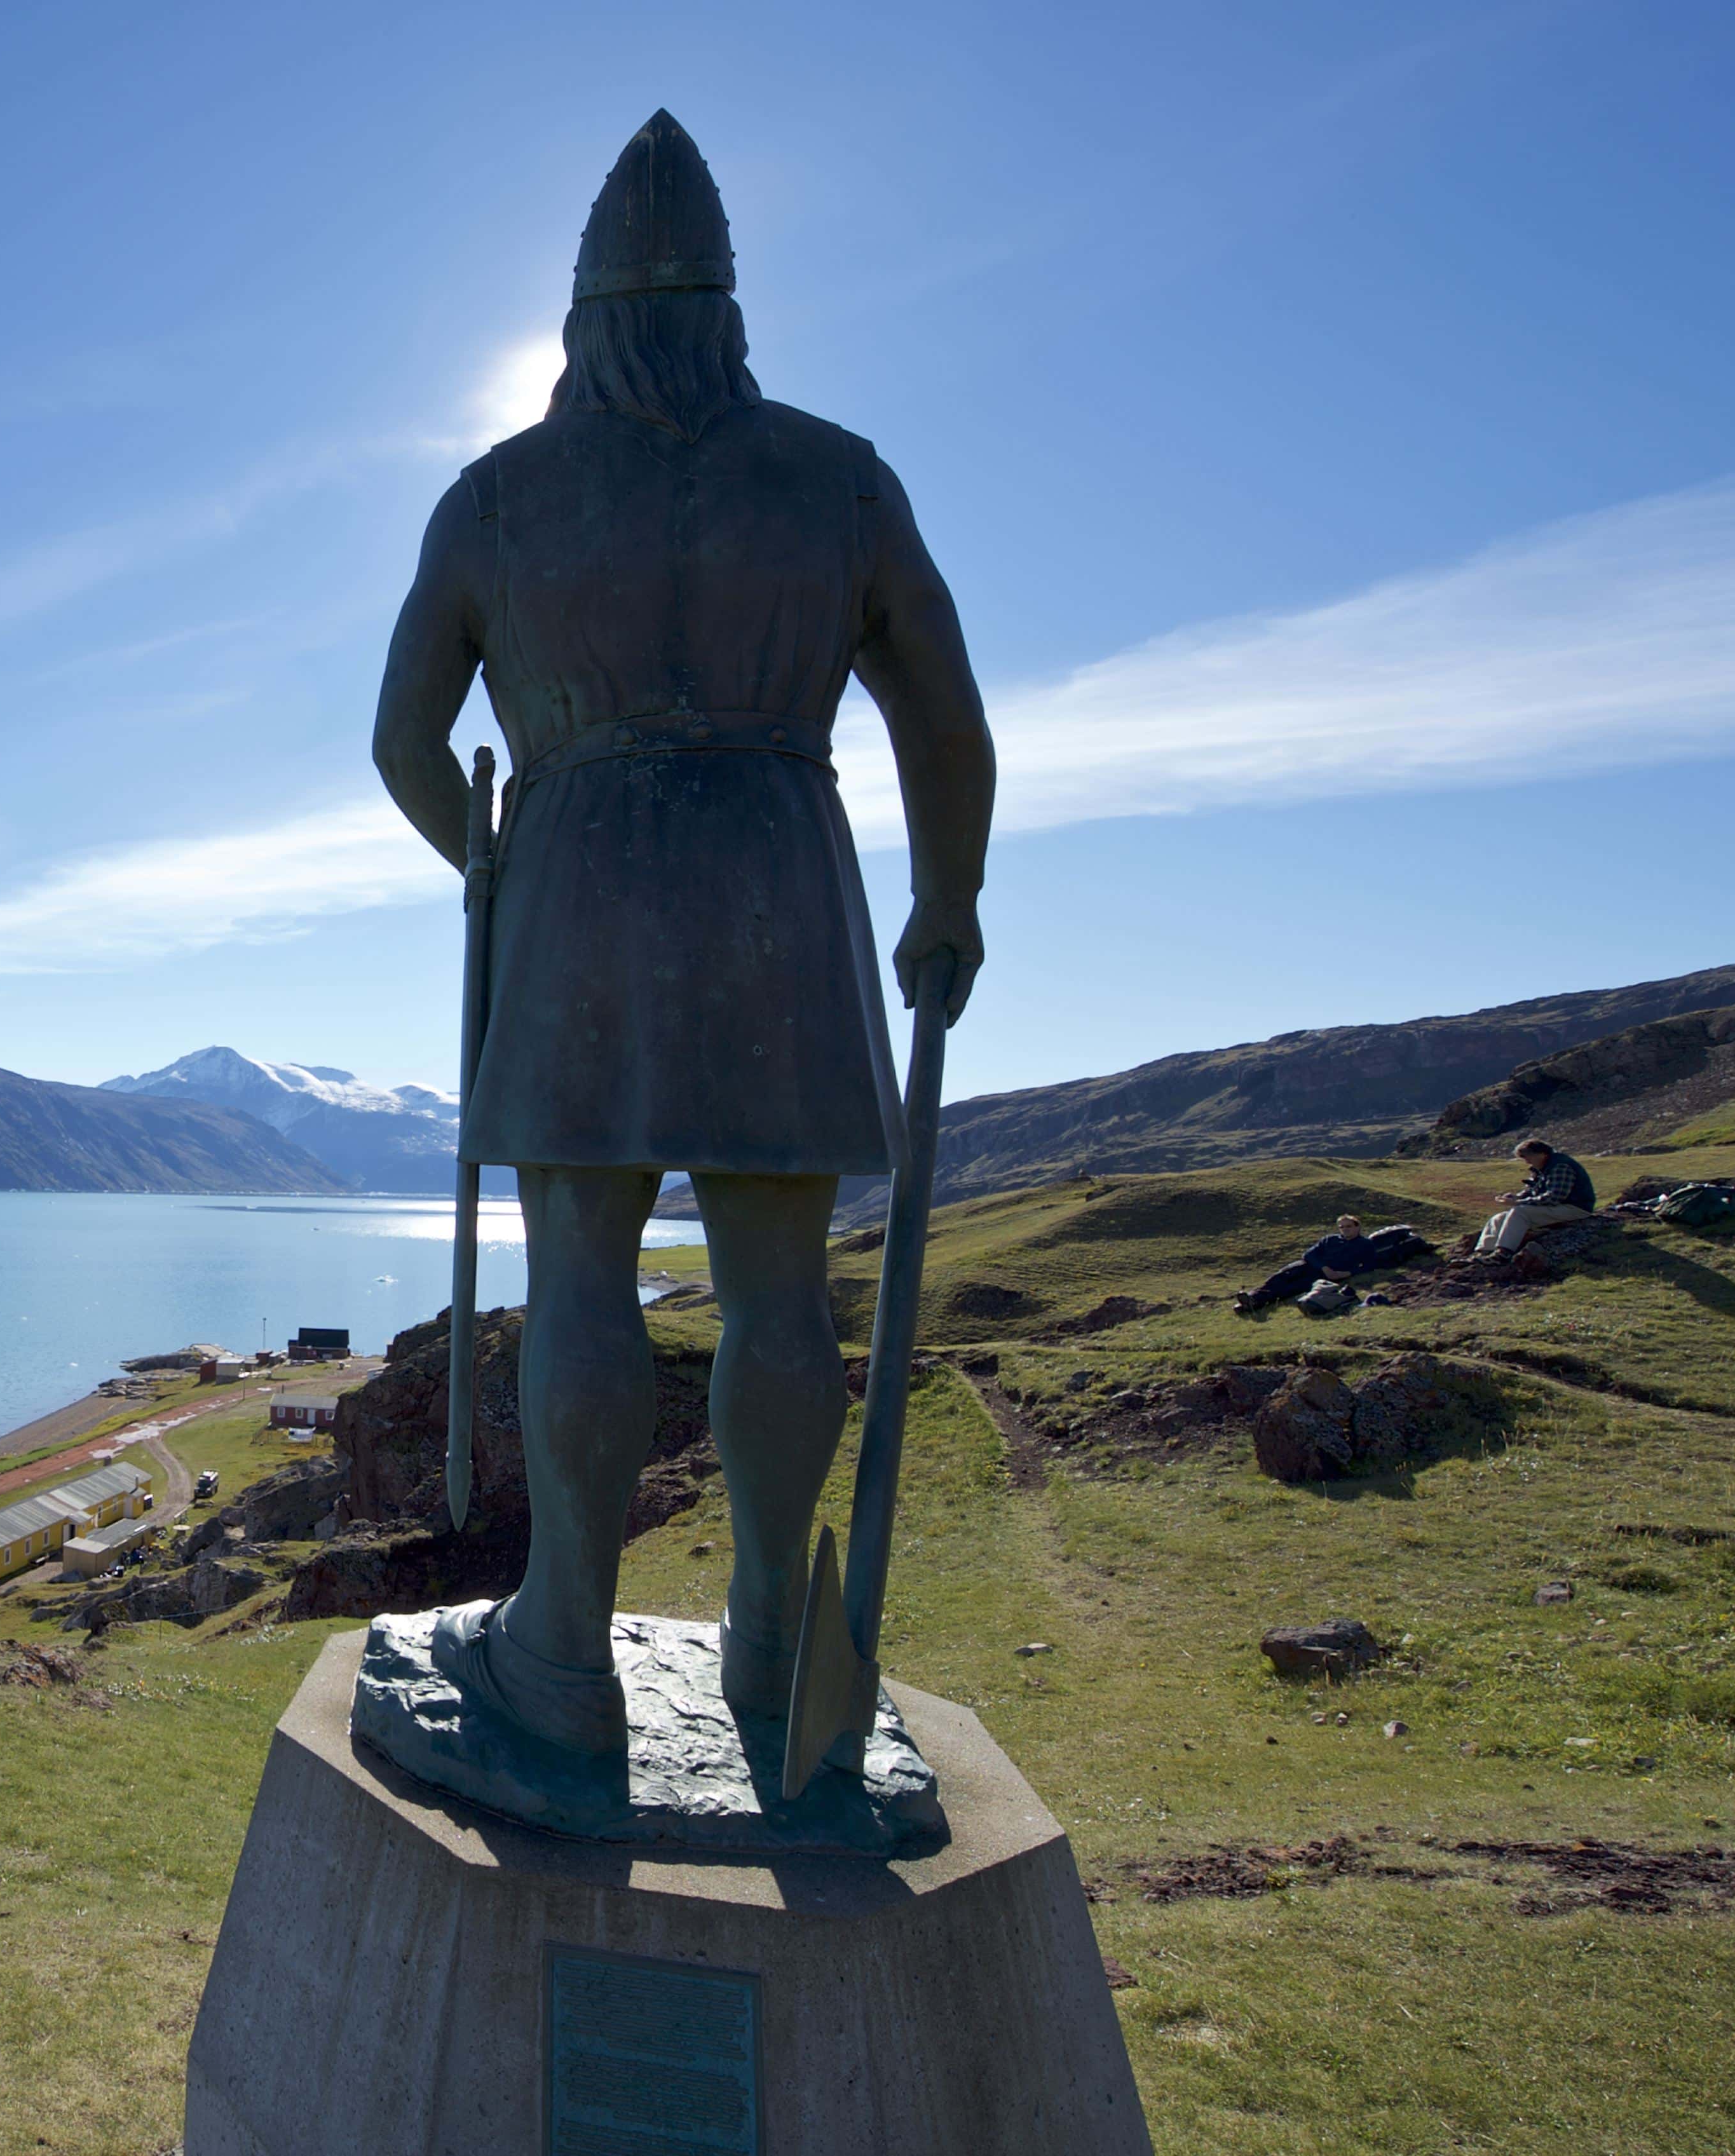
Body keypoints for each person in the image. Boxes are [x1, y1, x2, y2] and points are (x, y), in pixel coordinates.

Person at [371, 112, 995, 1750]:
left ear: (579, 322)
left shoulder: (498, 497)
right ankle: (777, 1657)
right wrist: (946, 891)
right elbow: (945, 719)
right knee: (777, 1287)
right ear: (725, 310)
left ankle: (562, 1654)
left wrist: (492, 870)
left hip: (575, 889)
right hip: (781, 884)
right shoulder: (836, 477)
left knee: (579, 1273)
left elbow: (400, 743)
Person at [1233, 1215, 1431, 1313]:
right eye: (1342, 1227)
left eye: (1349, 1227)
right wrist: (1324, 1267)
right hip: (1312, 1265)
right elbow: (1310, 1253)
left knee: (1292, 1288)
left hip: (1326, 1274)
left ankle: (1255, 1304)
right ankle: (1253, 1298)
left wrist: (1345, 1273)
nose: (1345, 1230)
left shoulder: (1365, 1245)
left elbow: (1369, 1265)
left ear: (1357, 1227)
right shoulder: (1330, 1239)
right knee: (1281, 1277)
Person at [1473, 1138, 1597, 1257]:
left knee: (1520, 1212)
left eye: (1528, 1157)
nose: (1527, 1162)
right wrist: (1517, 1197)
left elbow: (1554, 1197)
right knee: (1498, 1218)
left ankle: (1503, 1252)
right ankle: (1484, 1252)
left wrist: (1518, 1202)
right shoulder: (1543, 1168)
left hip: (1574, 1208)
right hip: (1557, 1207)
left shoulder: (1560, 1167)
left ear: (1542, 1154)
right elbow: (1533, 1189)